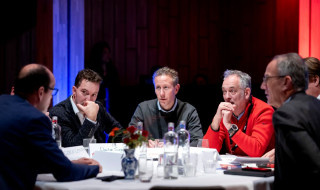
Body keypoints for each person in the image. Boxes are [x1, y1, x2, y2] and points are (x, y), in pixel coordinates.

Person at [0, 64, 101, 190]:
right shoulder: (35, 119)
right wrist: (95, 168)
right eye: (52, 91)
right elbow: (65, 173)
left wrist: (69, 163)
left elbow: (25, 159)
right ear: (41, 92)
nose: (51, 98)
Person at [260, 53, 320, 189]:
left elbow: (313, 164)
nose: (263, 86)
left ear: (286, 82)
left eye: (267, 78)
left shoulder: (285, 114)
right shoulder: (315, 105)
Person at [203, 70, 275, 157]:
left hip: (262, 168)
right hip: (235, 168)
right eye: (224, 91)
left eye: (232, 91)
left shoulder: (264, 111)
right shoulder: (225, 112)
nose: (227, 97)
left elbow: (256, 150)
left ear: (246, 93)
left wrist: (229, 126)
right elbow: (207, 151)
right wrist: (217, 119)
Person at [129, 66, 203, 147]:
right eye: (158, 88)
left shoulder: (189, 111)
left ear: (176, 89)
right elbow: (128, 137)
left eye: (166, 87)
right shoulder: (143, 109)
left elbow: (197, 141)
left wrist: (172, 145)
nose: (161, 94)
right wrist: (143, 143)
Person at [49, 69, 123, 147]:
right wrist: (90, 120)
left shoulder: (98, 107)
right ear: (74, 90)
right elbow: (73, 147)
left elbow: (119, 132)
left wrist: (109, 150)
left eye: (93, 94)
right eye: (84, 92)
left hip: (99, 157)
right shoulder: (59, 113)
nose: (88, 99)